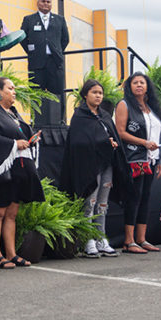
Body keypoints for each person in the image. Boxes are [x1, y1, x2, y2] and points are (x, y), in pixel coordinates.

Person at [0, 76, 44, 269]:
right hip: (1, 168)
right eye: (10, 88)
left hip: (18, 168)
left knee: (12, 213)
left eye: (14, 88)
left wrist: (31, 139)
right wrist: (14, 144)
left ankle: (11, 253)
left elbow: (21, 133)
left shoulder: (13, 113)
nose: (14, 91)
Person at [59, 79, 126, 258]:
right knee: (90, 202)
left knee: (103, 204)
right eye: (94, 92)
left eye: (100, 93)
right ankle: (88, 240)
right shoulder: (80, 116)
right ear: (85, 95)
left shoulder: (104, 115)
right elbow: (79, 143)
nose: (98, 96)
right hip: (89, 167)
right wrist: (104, 143)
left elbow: (113, 136)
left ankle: (101, 238)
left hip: (107, 164)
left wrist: (110, 144)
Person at [114, 72, 161, 254]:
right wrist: (144, 143)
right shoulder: (124, 104)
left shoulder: (151, 107)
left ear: (147, 86)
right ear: (129, 86)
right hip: (134, 158)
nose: (139, 85)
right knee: (133, 198)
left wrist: (160, 159)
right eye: (135, 83)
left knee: (145, 198)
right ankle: (129, 241)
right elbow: (120, 132)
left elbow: (159, 134)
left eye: (142, 82)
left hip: (151, 159)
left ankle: (141, 238)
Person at [20, 0, 70, 97]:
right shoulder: (29, 19)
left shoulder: (59, 19)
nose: (45, 4)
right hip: (36, 62)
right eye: (43, 1)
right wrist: (32, 51)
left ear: (51, 4)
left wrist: (58, 50)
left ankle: (58, 114)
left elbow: (65, 39)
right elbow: (22, 38)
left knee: (57, 95)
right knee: (36, 95)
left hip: (55, 62)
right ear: (38, 3)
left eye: (48, 2)